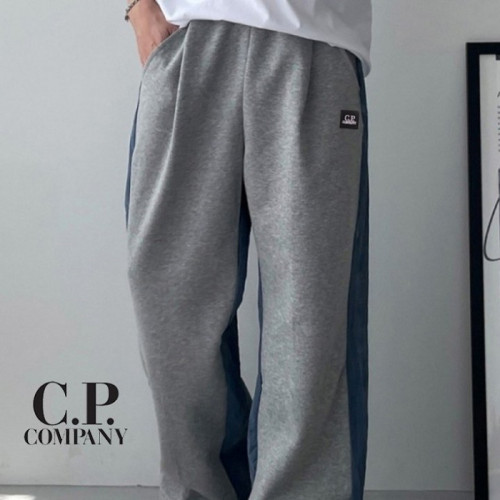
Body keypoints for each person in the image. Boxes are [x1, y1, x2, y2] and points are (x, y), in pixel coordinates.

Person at [123, 0, 371, 499]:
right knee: (168, 307)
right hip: (186, 41)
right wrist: (138, 7)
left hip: (311, 41)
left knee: (309, 320)